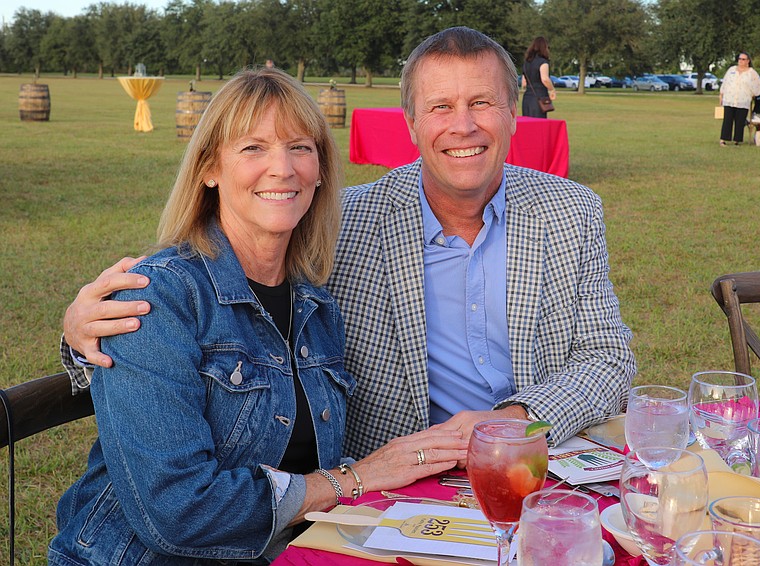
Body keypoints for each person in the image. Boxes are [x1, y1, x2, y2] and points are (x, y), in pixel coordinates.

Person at [62, 27, 636, 463]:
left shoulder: (571, 211)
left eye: (482, 103)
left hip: (531, 467)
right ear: (410, 123)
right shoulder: (343, 219)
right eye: (440, 107)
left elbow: (607, 360)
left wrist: (508, 423)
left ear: (514, 113)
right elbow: (223, 295)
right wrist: (79, 335)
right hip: (394, 488)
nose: (463, 126)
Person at [48, 67, 466, 565]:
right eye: (253, 148)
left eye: (300, 147)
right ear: (210, 168)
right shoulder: (159, 297)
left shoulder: (315, 304)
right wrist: (353, 479)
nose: (282, 168)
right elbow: (179, 511)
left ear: (321, 169)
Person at [719, 51, 760, 145]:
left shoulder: (751, 72)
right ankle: (724, 139)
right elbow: (725, 82)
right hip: (730, 98)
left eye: (743, 59)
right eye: (739, 59)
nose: (741, 61)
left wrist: (753, 93)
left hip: (743, 100)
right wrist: (721, 94)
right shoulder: (732, 70)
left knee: (740, 120)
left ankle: (737, 140)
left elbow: (758, 85)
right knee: (727, 119)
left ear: (748, 61)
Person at [520, 36, 557, 118]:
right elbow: (545, 79)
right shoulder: (543, 62)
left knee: (528, 125)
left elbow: (524, 83)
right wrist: (552, 90)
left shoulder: (526, 63)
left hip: (527, 98)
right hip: (539, 97)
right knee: (539, 125)